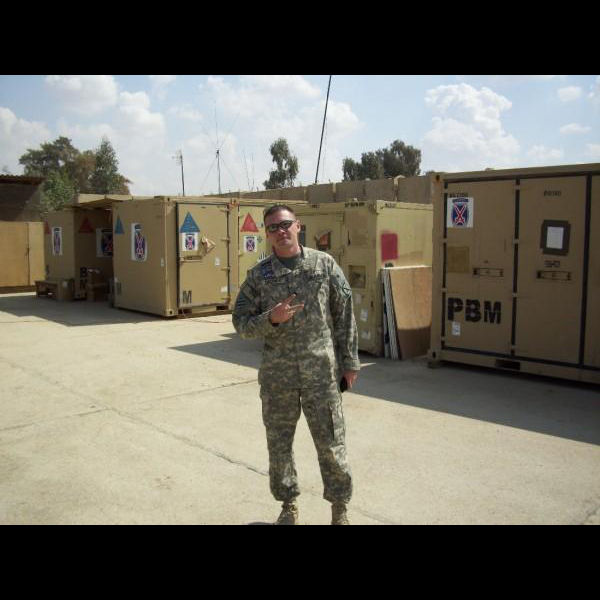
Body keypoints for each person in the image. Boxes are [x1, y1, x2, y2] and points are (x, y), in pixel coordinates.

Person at [232, 204, 360, 525]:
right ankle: (288, 506)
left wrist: (350, 361)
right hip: (279, 377)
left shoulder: (323, 265)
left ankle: (339, 509)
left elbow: (344, 313)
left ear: (298, 226)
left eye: (285, 224)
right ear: (267, 233)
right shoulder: (259, 276)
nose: (281, 231)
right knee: (279, 444)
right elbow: (240, 323)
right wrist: (270, 319)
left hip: (321, 374)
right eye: (273, 227)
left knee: (331, 444)